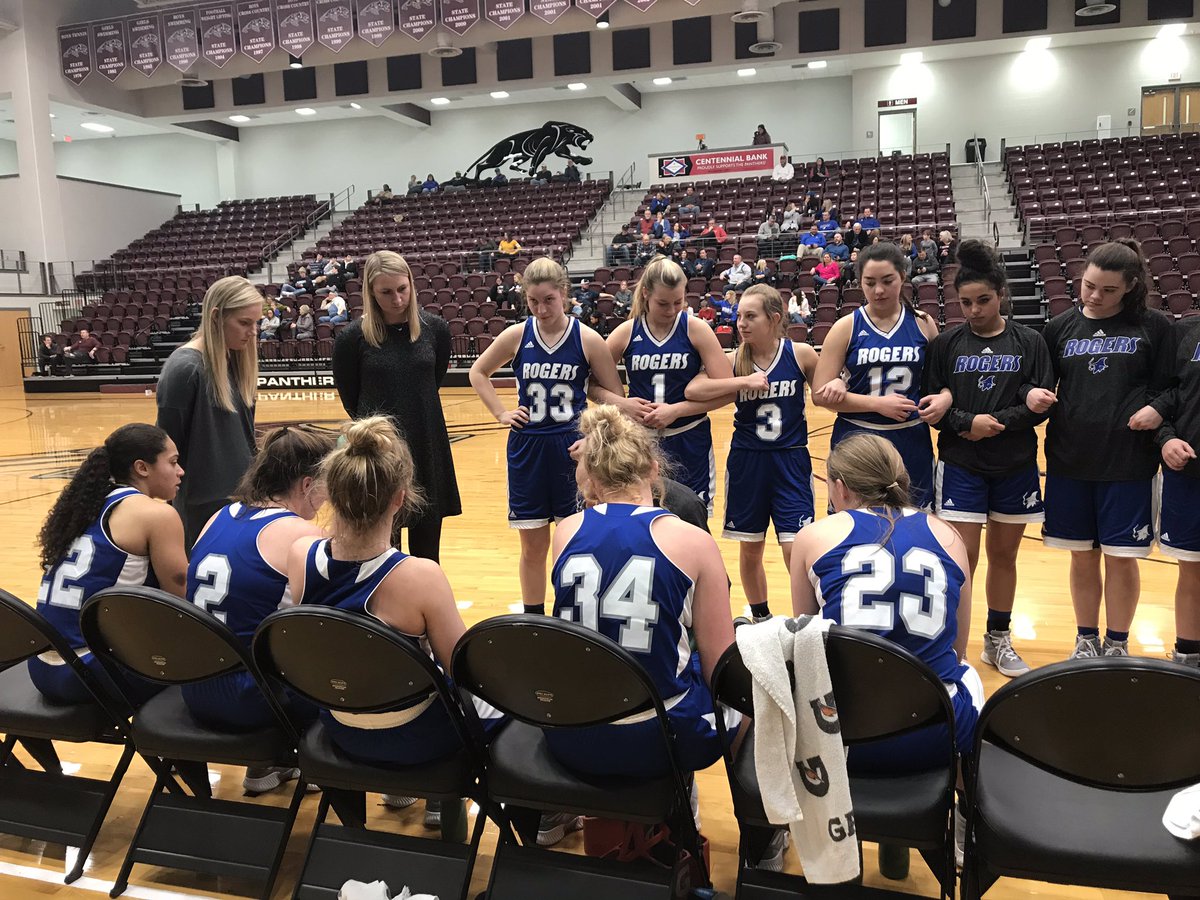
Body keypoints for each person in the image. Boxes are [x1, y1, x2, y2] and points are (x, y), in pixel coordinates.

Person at [287, 417, 504, 777]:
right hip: (418, 738)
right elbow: (464, 673)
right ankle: (463, 807)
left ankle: (401, 790)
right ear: (400, 498)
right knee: (504, 705)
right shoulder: (420, 577)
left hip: (339, 727)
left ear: (331, 494)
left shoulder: (300, 556)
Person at [547, 404, 741, 787]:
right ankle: (760, 834)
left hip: (571, 734)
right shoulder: (694, 541)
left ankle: (557, 812)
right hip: (661, 740)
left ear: (590, 479)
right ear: (654, 468)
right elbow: (722, 668)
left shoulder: (565, 532)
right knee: (756, 675)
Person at [790, 432, 979, 777]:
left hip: (842, 734)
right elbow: (958, 647)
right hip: (932, 731)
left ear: (841, 488)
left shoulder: (813, 536)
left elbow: (806, 643)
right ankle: (967, 811)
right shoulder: (949, 535)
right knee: (968, 674)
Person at [922, 241, 1055, 677]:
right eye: (965, 302)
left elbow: (1042, 401)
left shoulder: (1031, 341)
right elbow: (934, 406)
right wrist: (966, 423)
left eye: (983, 300)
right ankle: (953, 642)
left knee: (1003, 556)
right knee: (963, 558)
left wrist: (993, 421)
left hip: (1015, 464)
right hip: (961, 462)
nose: (974, 310)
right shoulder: (945, 344)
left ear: (1001, 295)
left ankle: (997, 639)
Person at [468, 257, 627, 614]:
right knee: (532, 546)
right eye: (533, 301)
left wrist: (594, 439)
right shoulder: (517, 334)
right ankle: (535, 617)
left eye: (549, 300)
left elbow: (613, 401)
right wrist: (501, 412)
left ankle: (574, 613)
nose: (541, 309)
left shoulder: (587, 338)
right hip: (527, 448)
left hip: (572, 449)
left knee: (576, 542)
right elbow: (478, 373)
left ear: (564, 294)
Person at [1038, 240, 1174, 658]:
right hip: (1070, 458)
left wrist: (1157, 408)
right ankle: (1084, 638)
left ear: (1131, 286)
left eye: (1108, 290)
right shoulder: (1059, 328)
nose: (1094, 296)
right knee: (1081, 556)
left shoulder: (1154, 327)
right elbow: (1039, 385)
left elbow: (1172, 387)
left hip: (1128, 461)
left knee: (1120, 557)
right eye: (1089, 285)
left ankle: (1116, 642)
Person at [181, 425, 334, 791]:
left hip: (193, 687)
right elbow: (320, 631)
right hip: (252, 701)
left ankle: (263, 767)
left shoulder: (219, 515)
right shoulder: (300, 535)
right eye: (327, 485)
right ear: (306, 484)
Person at [685, 285, 820, 618]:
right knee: (750, 548)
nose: (740, 323)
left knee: (795, 550)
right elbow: (693, 388)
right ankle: (761, 616)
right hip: (747, 461)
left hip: (791, 459)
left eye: (750, 316)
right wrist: (741, 383)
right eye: (739, 316)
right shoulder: (734, 360)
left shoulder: (801, 354)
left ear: (774, 319)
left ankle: (809, 620)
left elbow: (825, 390)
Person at [30, 424, 186, 705]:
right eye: (173, 462)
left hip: (41, 667)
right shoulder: (157, 514)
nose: (180, 471)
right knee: (206, 672)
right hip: (90, 672)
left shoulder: (83, 505)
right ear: (142, 468)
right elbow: (183, 601)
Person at [332, 251, 460, 562]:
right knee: (379, 553)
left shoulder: (436, 330)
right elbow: (352, 399)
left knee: (428, 553)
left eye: (402, 289)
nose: (397, 298)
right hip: (378, 454)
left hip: (426, 447)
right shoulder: (352, 338)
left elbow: (433, 380)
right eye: (386, 292)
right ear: (371, 292)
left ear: (412, 285)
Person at [811, 243, 945, 510]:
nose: (879, 290)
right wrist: (876, 404)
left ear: (902, 278)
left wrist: (944, 398)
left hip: (910, 438)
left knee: (914, 525)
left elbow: (941, 382)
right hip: (857, 440)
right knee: (854, 527)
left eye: (887, 281)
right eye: (870, 283)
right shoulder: (845, 327)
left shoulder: (923, 322)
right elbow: (818, 395)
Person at [607, 256, 733, 513]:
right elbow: (590, 384)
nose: (672, 310)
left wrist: (676, 410)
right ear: (645, 295)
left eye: (679, 301)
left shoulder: (695, 329)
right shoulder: (626, 332)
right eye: (662, 303)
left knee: (692, 518)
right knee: (641, 518)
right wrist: (622, 404)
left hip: (689, 439)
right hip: (639, 444)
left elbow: (728, 390)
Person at [157, 275, 261, 550]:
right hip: (200, 508)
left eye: (256, 323)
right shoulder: (185, 368)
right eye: (244, 323)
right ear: (216, 316)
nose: (253, 332)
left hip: (243, 500)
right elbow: (167, 446)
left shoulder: (236, 362)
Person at [1155, 313, 1200, 667]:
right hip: (1189, 473)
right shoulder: (1183, 332)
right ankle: (1188, 654)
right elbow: (1162, 397)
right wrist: (1166, 439)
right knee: (1192, 569)